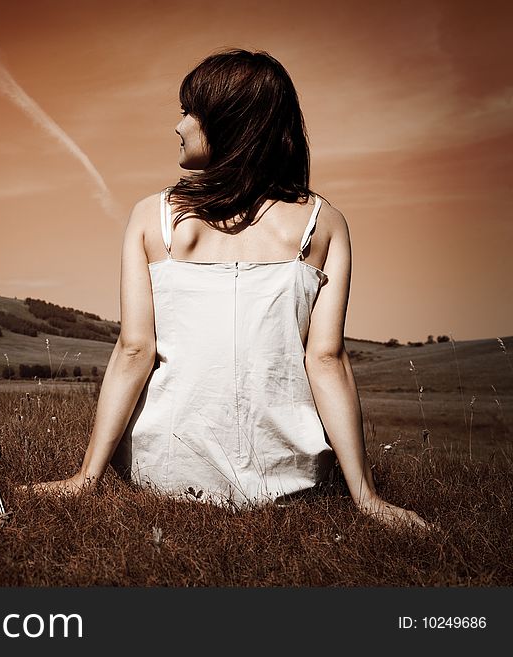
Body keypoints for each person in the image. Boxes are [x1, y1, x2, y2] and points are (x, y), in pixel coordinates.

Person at [29, 48, 427, 530]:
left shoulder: (154, 219)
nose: (178, 126)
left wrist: (86, 476)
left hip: (166, 469)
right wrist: (366, 496)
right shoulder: (323, 224)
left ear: (227, 122)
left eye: (188, 111)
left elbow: (135, 350)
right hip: (288, 476)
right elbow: (326, 359)